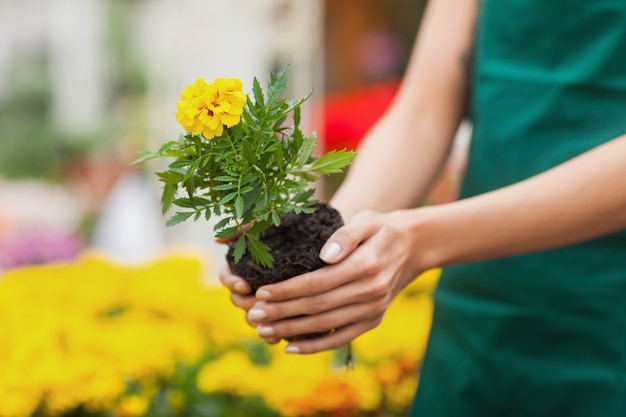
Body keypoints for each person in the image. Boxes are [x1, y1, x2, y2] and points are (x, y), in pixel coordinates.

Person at [219, 0, 626, 415]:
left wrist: (422, 241)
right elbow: (424, 113)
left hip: (608, 318)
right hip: (482, 315)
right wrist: (332, 239)